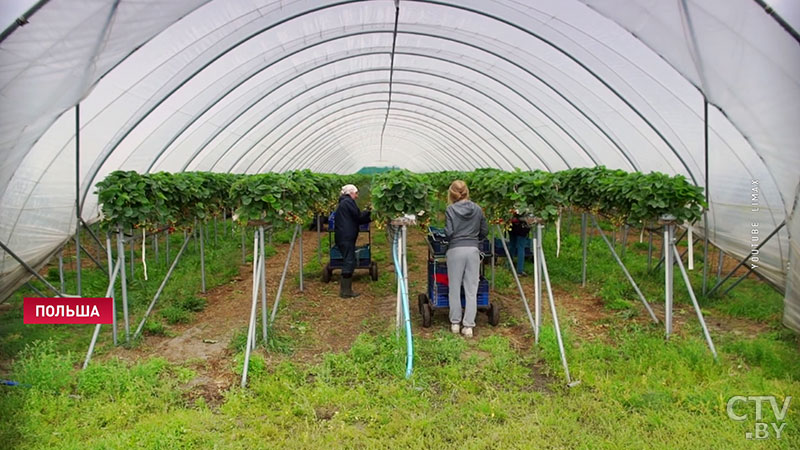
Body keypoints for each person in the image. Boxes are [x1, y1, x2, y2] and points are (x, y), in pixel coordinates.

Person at [444, 180, 488, 338]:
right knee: (471, 289)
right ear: (467, 192)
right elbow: (484, 230)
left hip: (455, 249)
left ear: (452, 193)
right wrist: (475, 239)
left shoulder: (450, 210)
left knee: (454, 288)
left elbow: (448, 233)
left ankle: (455, 323)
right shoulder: (477, 209)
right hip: (473, 250)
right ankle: (468, 326)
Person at [334, 184, 372, 298]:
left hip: (344, 236)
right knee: (349, 261)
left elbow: (356, 217)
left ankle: (346, 290)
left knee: (349, 260)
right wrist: (369, 212)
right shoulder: (348, 202)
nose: (356, 196)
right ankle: (345, 291)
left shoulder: (344, 202)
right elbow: (358, 217)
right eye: (356, 193)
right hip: (346, 237)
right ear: (350, 193)